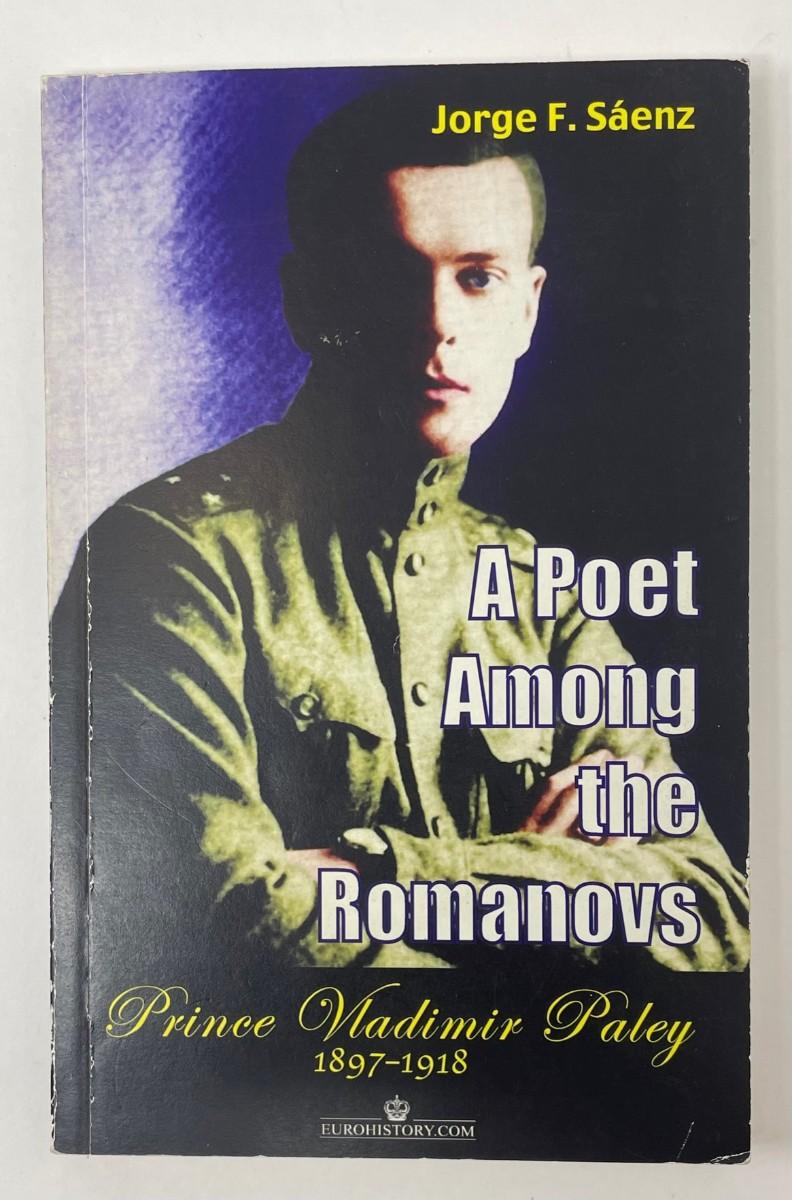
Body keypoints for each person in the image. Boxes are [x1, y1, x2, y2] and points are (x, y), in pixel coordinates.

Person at [51, 84, 749, 979]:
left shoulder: (544, 596)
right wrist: (562, 887)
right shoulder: (166, 559)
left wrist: (388, 871)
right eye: (388, 274)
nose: (438, 324)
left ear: (527, 310)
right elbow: (216, 920)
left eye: (478, 278)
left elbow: (718, 908)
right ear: (309, 302)